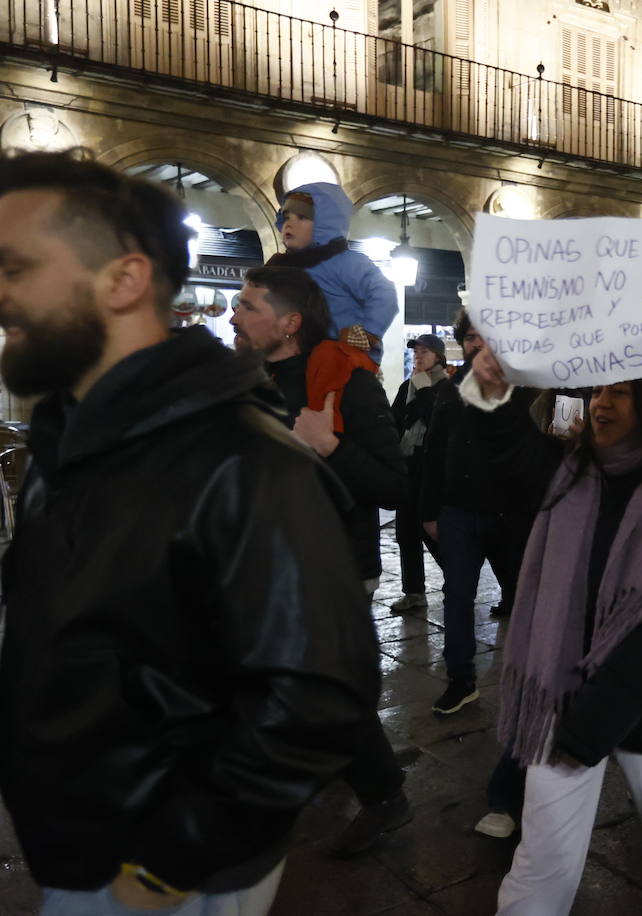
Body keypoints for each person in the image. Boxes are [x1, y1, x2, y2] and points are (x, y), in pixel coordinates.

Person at [0, 151, 379, 915]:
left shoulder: (244, 461)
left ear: (124, 279)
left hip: (157, 873)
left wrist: (170, 866)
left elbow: (315, 699)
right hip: (83, 839)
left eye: (18, 267)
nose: (3, 296)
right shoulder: (66, 443)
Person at [463, 349, 642, 915]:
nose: (602, 403)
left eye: (621, 393)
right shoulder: (570, 469)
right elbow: (504, 451)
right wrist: (487, 391)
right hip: (558, 700)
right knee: (541, 857)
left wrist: (593, 726)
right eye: (599, 391)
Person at [230, 266, 413, 858]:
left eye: (248, 306)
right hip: (257, 560)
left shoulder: (346, 380)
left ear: (289, 323)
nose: (235, 315)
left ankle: (385, 795)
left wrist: (329, 445)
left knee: (322, 688)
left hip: (327, 563)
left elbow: (395, 484)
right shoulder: (241, 382)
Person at [420, 309, 534, 715]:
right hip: (459, 512)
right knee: (457, 596)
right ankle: (460, 680)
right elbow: (433, 451)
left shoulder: (524, 387)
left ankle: (530, 680)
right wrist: (429, 511)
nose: (477, 343)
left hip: (510, 514)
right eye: (470, 337)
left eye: (486, 336)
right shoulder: (450, 390)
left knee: (524, 600)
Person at [266, 182, 398, 363]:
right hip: (299, 356)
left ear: (325, 224)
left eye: (302, 217)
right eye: (286, 217)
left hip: (344, 355)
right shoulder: (279, 268)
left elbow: (384, 293)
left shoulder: (347, 262)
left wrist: (369, 332)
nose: (290, 224)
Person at [389, 333, 448, 612]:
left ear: (438, 356)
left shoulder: (447, 388)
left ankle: (456, 580)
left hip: (432, 468)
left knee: (431, 530)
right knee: (405, 532)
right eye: (416, 352)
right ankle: (413, 592)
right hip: (408, 467)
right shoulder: (407, 386)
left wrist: (425, 390)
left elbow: (438, 423)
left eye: (425, 351)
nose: (419, 356)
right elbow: (395, 421)